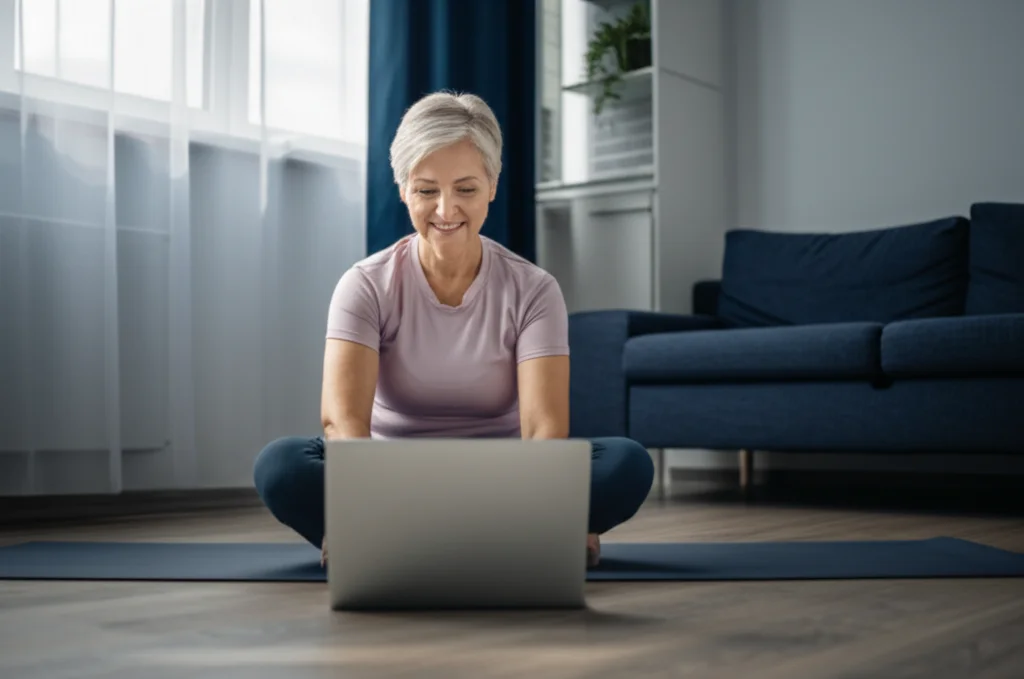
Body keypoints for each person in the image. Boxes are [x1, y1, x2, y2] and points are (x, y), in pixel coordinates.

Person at [252, 91, 654, 569]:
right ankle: (515, 534)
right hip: (387, 477)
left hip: (505, 479)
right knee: (281, 466)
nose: (446, 210)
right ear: (403, 189)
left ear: (492, 186)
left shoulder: (534, 289)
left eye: (465, 189)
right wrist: (357, 506)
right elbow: (343, 423)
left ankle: (408, 538)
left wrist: (544, 493)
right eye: (427, 191)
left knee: (626, 463)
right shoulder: (364, 285)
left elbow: (544, 428)